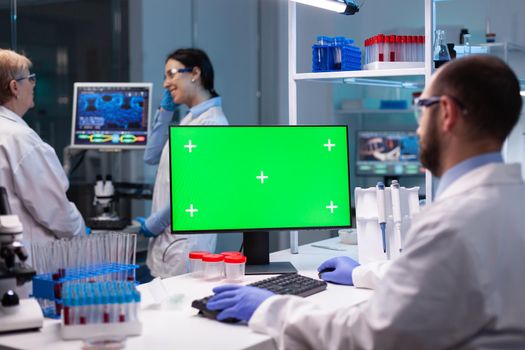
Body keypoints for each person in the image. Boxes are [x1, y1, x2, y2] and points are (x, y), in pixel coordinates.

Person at [207, 55, 525, 349]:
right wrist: (363, 273)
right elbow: (448, 280)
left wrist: (270, 308)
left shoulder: (453, 223)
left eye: (421, 108)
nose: (417, 127)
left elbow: (372, 335)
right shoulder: (510, 201)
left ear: (446, 113)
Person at [137, 48, 229, 278]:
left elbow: (193, 191)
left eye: (171, 74)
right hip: (171, 239)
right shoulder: (191, 118)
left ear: (195, 73)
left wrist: (154, 223)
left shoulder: (212, 125)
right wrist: (165, 112)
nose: (166, 83)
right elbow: (150, 156)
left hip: (187, 243)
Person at [0, 49, 86, 255]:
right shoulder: (20, 138)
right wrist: (81, 231)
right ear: (14, 87)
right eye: (30, 78)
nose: (33, 84)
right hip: (30, 262)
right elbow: (56, 212)